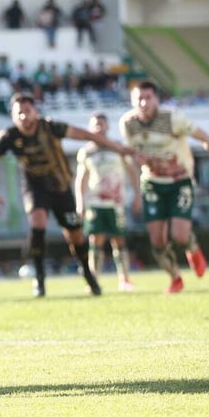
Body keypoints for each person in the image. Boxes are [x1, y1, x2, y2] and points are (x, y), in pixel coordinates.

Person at [0, 92, 133, 297]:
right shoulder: (8, 137)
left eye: (27, 111)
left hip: (60, 187)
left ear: (36, 112)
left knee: (75, 236)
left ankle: (88, 274)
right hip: (35, 188)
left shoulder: (51, 127)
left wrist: (119, 148)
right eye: (19, 113)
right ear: (12, 116)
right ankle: (39, 279)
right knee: (38, 223)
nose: (24, 117)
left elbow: (87, 135)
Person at [119, 80, 209, 293]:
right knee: (157, 242)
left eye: (148, 98)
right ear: (133, 101)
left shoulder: (173, 118)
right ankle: (175, 278)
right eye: (139, 99)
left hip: (180, 181)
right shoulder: (127, 123)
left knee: (179, 236)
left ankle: (193, 248)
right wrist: (139, 161)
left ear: (156, 99)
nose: (143, 103)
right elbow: (132, 153)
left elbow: (204, 137)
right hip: (152, 184)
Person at [75, 113, 141, 291]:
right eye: (95, 124)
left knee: (119, 240)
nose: (99, 127)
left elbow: (132, 172)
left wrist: (137, 195)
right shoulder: (86, 152)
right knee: (95, 240)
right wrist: (80, 202)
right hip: (95, 202)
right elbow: (81, 179)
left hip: (116, 202)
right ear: (90, 128)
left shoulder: (118, 148)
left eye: (102, 124)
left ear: (108, 126)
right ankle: (94, 279)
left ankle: (125, 279)